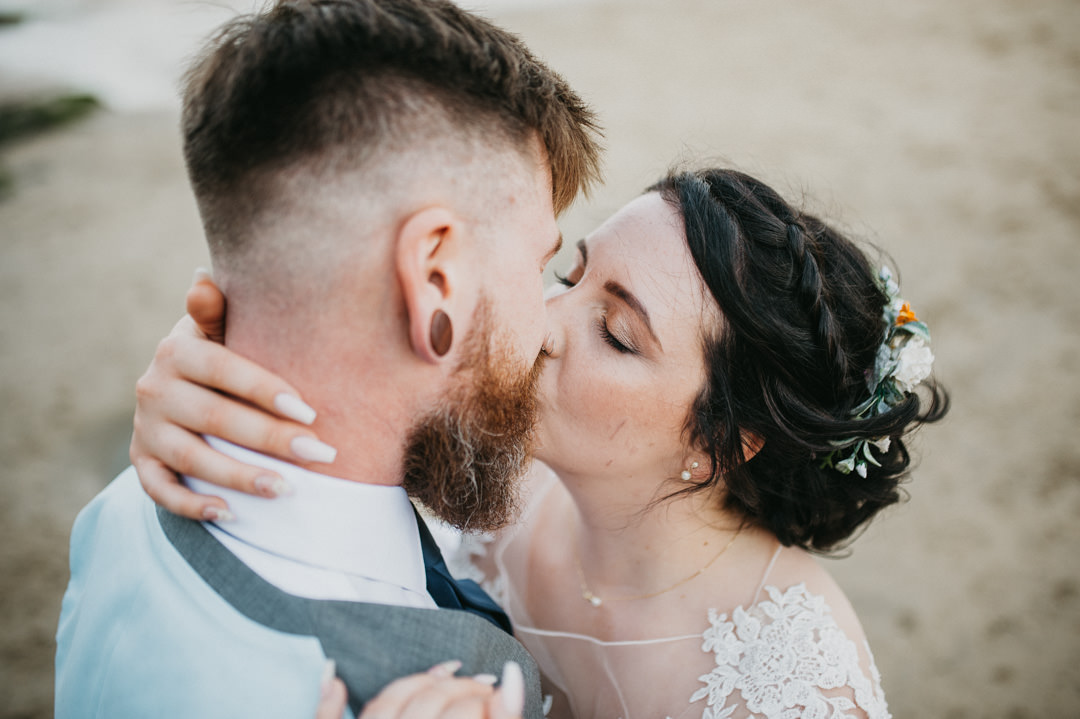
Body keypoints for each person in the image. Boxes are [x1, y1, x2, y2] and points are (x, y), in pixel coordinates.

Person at [132, 167, 948, 718]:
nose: (544, 324)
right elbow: (328, 388)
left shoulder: (796, 685)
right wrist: (200, 373)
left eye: (618, 334)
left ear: (726, 445)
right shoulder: (494, 463)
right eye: (570, 276)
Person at [54, 0, 602, 717]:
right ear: (434, 275)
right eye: (538, 266)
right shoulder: (346, 688)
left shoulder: (124, 504)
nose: (547, 325)